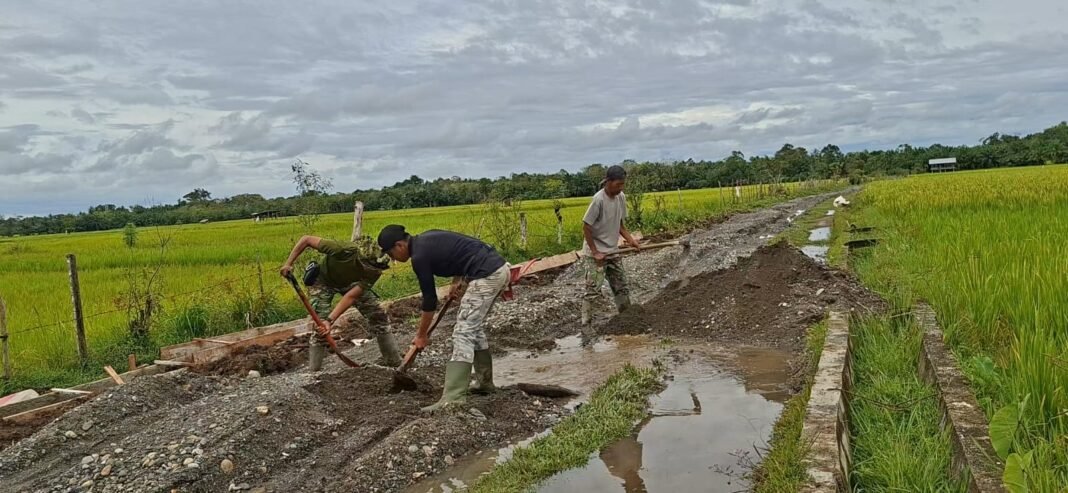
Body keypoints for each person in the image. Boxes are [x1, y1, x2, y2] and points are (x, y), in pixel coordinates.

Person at [377, 225, 509, 412]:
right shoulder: (427, 238)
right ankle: (485, 383)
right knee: (473, 327)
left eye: (391, 254)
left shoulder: (419, 257)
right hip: (497, 268)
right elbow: (462, 251)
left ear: (399, 245)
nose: (393, 259)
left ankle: (453, 398)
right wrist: (457, 279)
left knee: (463, 332)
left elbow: (430, 300)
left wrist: (421, 335)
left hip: (486, 274)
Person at [279, 235, 401, 370]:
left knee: (378, 316)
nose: (369, 271)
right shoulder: (343, 249)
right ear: (361, 259)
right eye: (367, 267)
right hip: (323, 281)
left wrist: (330, 320)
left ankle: (393, 361)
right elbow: (306, 239)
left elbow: (351, 296)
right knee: (320, 324)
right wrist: (288, 263)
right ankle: (314, 371)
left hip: (350, 284)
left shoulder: (375, 271)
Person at [581, 165, 641, 327]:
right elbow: (586, 226)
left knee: (621, 286)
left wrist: (631, 240)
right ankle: (586, 325)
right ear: (608, 182)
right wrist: (595, 252)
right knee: (593, 290)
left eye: (623, 184)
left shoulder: (621, 197)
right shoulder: (599, 200)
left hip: (612, 251)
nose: (620, 188)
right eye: (618, 184)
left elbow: (620, 224)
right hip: (596, 254)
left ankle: (627, 319)